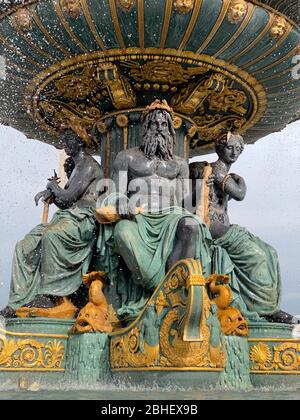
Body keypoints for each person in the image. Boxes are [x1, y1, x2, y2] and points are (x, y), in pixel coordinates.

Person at [190, 133, 299, 324]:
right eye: (229, 148)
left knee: (270, 252)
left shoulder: (225, 175)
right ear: (219, 148)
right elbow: (239, 194)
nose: (234, 153)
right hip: (211, 225)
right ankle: (265, 309)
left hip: (224, 227)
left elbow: (239, 193)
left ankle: (264, 306)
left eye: (238, 149)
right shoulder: (208, 170)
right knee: (258, 256)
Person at [110, 100, 211, 295]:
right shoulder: (126, 157)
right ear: (145, 127)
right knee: (122, 231)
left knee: (191, 225)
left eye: (164, 125)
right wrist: (120, 200)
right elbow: (116, 192)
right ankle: (157, 286)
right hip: (138, 217)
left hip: (171, 216)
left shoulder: (180, 165)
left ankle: (174, 287)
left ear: (171, 131)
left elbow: (186, 206)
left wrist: (201, 186)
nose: (159, 128)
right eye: (154, 124)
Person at [0, 129, 103, 318]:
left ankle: (54, 297)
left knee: (52, 236)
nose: (64, 144)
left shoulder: (88, 165)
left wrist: (52, 187)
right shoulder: (76, 167)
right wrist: (52, 195)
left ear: (80, 141)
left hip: (84, 219)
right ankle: (19, 301)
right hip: (68, 217)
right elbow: (66, 200)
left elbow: (68, 196)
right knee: (25, 245)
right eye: (63, 140)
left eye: (68, 140)